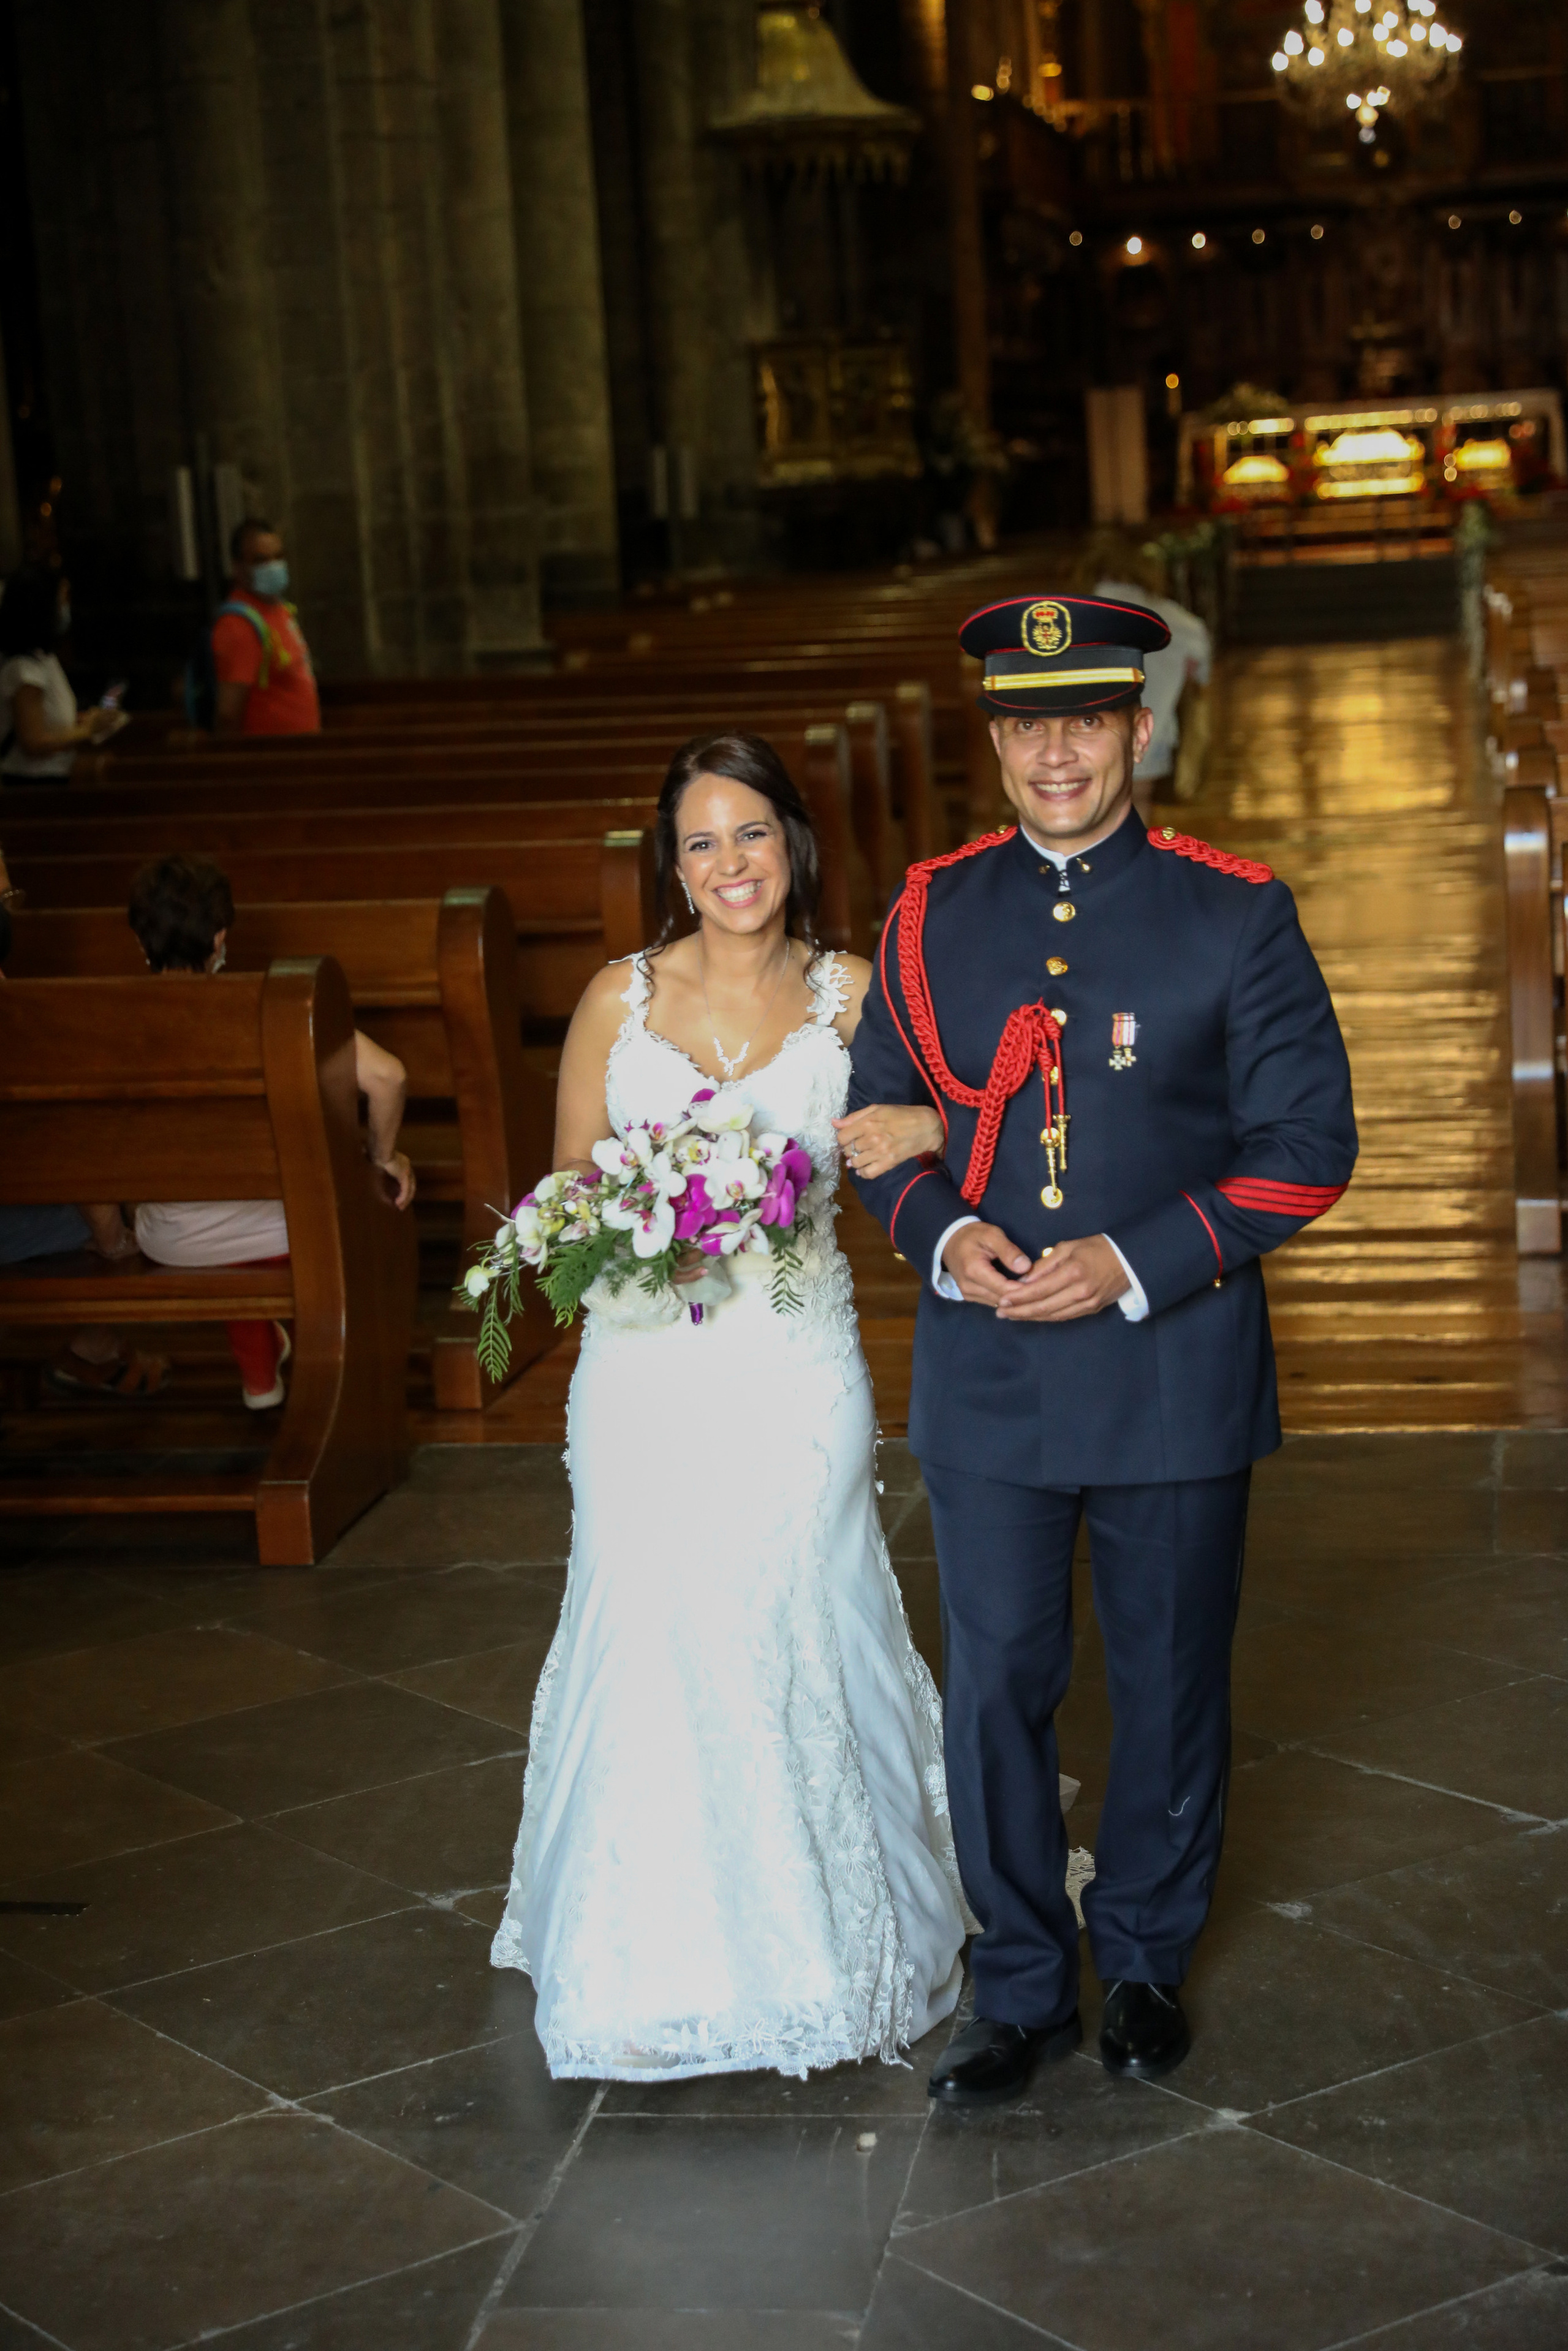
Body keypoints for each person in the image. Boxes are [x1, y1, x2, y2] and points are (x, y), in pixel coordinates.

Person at [846, 594, 1357, 2106]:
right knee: (994, 1681)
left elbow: (1306, 1148)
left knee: (1168, 1678)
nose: (1054, 752)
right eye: (1025, 723)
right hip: (989, 1365)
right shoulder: (928, 914)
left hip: (1170, 1370)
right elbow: (875, 1124)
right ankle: (1015, 1982)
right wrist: (944, 1231)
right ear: (994, 739)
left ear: (1139, 726)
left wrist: (1135, 1260)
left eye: (1083, 720)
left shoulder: (1232, 911)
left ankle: (1138, 1956)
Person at [491, 730, 975, 2081]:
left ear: (791, 844)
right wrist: (645, 1214)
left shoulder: (853, 996)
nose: (728, 863)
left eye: (749, 832)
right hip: (644, 1363)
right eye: (699, 842)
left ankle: (826, 1936)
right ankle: (649, 1950)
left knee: (791, 1605)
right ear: (674, 864)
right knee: (650, 1615)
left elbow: (958, 1123)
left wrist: (932, 1129)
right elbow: (564, 1191)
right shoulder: (616, 998)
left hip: (790, 1359)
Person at [126, 854, 414, 1407]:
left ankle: (259, 1365)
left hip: (172, 1239)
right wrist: (384, 1158)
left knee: (229, 1212)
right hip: (286, 1230)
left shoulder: (107, 1017)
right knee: (304, 1210)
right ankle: (331, 1376)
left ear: (141, 941)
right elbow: (388, 1077)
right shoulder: (274, 1008)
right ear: (220, 937)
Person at [1074, 531, 1212, 817]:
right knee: (1138, 808)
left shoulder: (1072, 616)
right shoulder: (1182, 623)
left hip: (1081, 739)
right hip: (1150, 739)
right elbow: (1200, 680)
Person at [0, 568, 126, 785]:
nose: (66, 609)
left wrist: (85, 720)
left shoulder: (44, 659)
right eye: (62, 601)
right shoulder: (24, 669)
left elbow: (49, 719)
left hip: (55, 775)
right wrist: (87, 731)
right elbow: (34, 742)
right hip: (33, 783)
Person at [212, 520, 320, 737]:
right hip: (270, 753)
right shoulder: (239, 625)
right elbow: (228, 715)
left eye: (278, 557)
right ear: (238, 568)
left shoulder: (278, 610)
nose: (274, 567)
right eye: (261, 560)